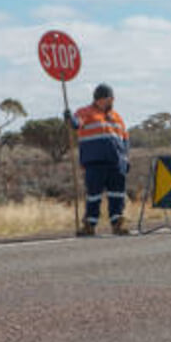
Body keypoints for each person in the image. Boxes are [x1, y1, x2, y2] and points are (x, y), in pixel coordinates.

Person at [64, 84, 130, 236]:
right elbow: (76, 124)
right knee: (94, 195)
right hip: (94, 163)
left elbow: (125, 138)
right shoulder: (85, 112)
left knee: (117, 195)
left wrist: (125, 158)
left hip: (116, 163)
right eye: (108, 98)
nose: (111, 101)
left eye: (112, 98)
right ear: (99, 99)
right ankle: (89, 225)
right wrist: (69, 119)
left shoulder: (117, 116)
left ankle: (117, 224)